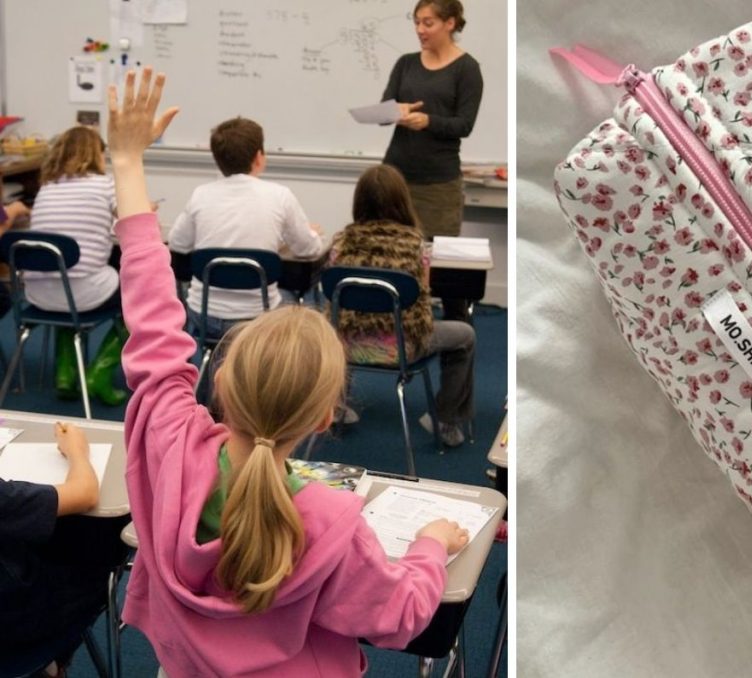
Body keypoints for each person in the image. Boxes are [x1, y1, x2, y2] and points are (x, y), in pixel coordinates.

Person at [108, 67, 468, 676]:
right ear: (326, 415)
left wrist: (126, 163)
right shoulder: (329, 520)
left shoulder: (173, 446)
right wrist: (432, 544)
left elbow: (151, 311)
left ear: (219, 382)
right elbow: (401, 614)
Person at [329, 164, 476, 447]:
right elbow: (422, 296)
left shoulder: (341, 243)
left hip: (344, 345)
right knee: (465, 335)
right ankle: (445, 418)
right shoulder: (416, 245)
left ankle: (335, 407)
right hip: (402, 346)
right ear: (403, 200)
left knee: (334, 323)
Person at [168, 116, 325, 340]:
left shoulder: (200, 195)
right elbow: (308, 250)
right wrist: (311, 234)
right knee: (302, 295)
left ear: (217, 160)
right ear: (259, 157)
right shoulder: (280, 196)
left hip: (203, 315)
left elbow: (177, 244)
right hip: (257, 320)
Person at [0, 422, 130, 677]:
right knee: (104, 532)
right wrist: (76, 451)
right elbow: (86, 493)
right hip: (18, 627)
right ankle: (52, 664)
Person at [382, 0, 483, 322]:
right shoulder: (406, 63)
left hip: (439, 183)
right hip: (395, 176)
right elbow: (385, 109)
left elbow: (464, 124)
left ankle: (457, 339)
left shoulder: (467, 68)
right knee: (390, 257)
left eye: (428, 23)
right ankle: (389, 331)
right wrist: (395, 112)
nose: (420, 30)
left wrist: (429, 121)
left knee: (442, 270)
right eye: (417, 22)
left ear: (450, 23)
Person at [22, 125, 127, 405]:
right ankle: (98, 375)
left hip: (38, 295)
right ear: (97, 154)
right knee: (138, 302)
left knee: (66, 277)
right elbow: (129, 222)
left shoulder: (47, 188)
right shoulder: (106, 185)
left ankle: (65, 376)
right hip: (83, 294)